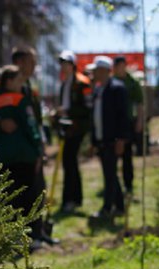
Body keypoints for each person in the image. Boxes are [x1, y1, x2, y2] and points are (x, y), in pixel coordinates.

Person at [0, 65, 43, 250]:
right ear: (9, 81)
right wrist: (38, 149)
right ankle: (32, 236)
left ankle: (11, 237)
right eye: (19, 80)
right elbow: (30, 127)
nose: (22, 83)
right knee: (29, 196)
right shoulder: (21, 100)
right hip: (24, 155)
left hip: (3, 155)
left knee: (9, 196)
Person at [11, 45, 57, 245]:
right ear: (19, 62)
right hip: (18, 152)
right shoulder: (8, 84)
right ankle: (24, 235)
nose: (35, 65)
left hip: (33, 148)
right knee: (22, 194)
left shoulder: (29, 87)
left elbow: (35, 120)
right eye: (31, 61)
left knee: (38, 189)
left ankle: (38, 232)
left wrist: (42, 146)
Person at [90, 56, 130, 218]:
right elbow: (95, 116)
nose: (93, 74)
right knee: (110, 174)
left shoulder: (117, 88)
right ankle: (119, 207)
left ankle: (107, 208)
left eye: (96, 71)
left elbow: (123, 116)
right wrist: (94, 140)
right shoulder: (99, 90)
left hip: (113, 141)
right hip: (102, 139)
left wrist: (121, 139)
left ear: (104, 71)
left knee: (110, 175)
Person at [57, 50, 92, 212]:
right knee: (68, 162)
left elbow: (87, 108)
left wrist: (68, 112)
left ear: (73, 65)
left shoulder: (82, 83)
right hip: (66, 127)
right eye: (62, 64)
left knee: (70, 161)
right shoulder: (64, 84)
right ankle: (71, 199)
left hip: (76, 128)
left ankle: (72, 199)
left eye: (66, 64)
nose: (64, 67)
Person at [113, 56, 144, 195]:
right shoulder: (112, 81)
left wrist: (140, 121)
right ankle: (113, 185)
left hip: (128, 123)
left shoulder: (132, 82)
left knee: (127, 155)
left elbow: (140, 103)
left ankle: (128, 183)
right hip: (113, 124)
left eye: (122, 66)